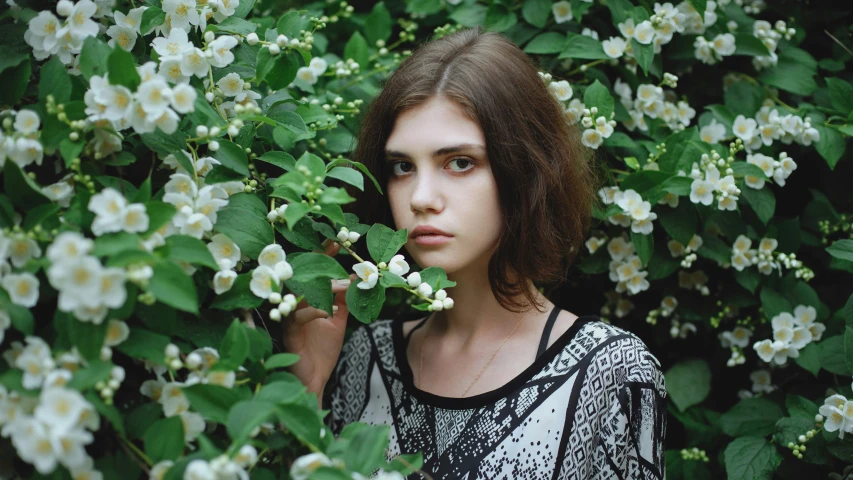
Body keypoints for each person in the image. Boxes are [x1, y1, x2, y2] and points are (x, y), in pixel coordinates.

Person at [283, 27, 667, 479]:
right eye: (402, 167)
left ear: (526, 170)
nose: (421, 197)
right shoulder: (366, 356)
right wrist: (304, 398)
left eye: (460, 162)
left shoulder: (610, 371)